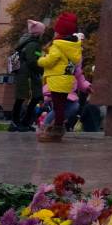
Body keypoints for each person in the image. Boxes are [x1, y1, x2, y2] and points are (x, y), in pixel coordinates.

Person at [37, 11, 82, 143]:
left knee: (58, 107)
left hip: (57, 80)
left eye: (56, 30)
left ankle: (56, 130)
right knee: (60, 106)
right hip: (67, 80)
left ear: (60, 32)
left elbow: (51, 60)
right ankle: (56, 129)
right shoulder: (74, 46)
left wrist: (40, 60)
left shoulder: (57, 45)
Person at [9, 20, 47, 132]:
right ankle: (17, 122)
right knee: (24, 98)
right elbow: (32, 61)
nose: (43, 34)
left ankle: (23, 122)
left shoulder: (29, 42)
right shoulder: (33, 44)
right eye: (43, 31)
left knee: (32, 98)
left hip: (27, 74)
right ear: (38, 32)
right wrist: (42, 69)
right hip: (28, 75)